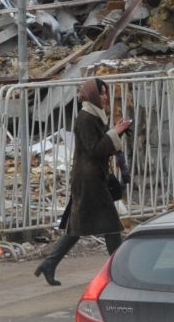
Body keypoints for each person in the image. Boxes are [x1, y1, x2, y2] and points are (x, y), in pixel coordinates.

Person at [35, 78, 132, 287]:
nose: (105, 96)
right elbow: (95, 149)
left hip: (92, 178)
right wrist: (115, 133)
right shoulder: (86, 118)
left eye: (106, 92)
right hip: (89, 181)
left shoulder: (94, 115)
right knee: (111, 226)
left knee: (78, 227)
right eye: (102, 93)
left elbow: (100, 145)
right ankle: (120, 271)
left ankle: (49, 264)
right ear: (93, 95)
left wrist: (114, 131)